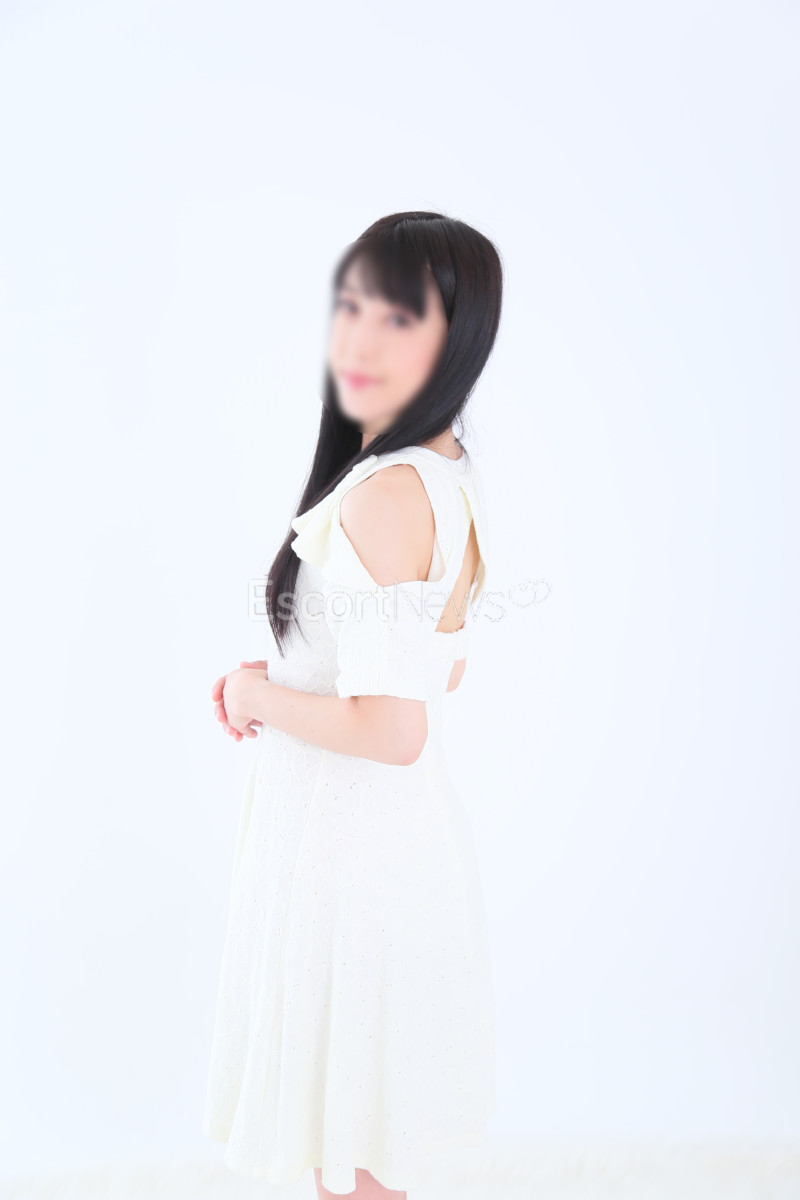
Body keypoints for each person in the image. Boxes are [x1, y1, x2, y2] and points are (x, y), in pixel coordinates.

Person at [202, 211, 503, 1198]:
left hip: (349, 864)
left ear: (457, 338)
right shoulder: (444, 477)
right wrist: (296, 674)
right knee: (361, 1152)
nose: (360, 340)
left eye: (398, 317)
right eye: (352, 307)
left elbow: (394, 727)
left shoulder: (380, 494)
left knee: (352, 1162)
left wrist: (257, 693)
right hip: (389, 854)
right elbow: (438, 671)